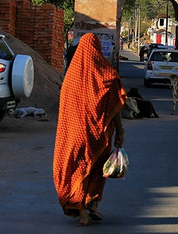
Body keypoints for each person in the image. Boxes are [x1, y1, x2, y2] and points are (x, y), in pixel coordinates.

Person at [53, 33, 126, 226]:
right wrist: (120, 130)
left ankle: (84, 211)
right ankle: (92, 205)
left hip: (76, 134)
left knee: (79, 169)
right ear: (97, 48)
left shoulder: (71, 76)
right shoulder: (106, 73)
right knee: (97, 169)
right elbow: (115, 104)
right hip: (100, 135)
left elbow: (64, 110)